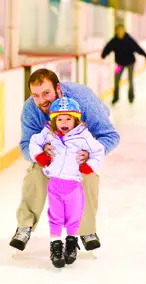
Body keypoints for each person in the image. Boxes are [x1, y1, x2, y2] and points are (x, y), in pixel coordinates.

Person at [9, 68, 120, 252]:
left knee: (87, 173)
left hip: (83, 142)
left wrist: (89, 155)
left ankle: (87, 231)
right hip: (52, 151)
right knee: (36, 171)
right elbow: (25, 146)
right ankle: (24, 226)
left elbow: (110, 136)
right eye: (36, 95)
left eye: (46, 93)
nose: (41, 100)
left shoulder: (82, 98)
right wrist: (40, 152)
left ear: (58, 89)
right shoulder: (31, 109)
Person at [29, 97, 105, 268]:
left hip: (74, 186)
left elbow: (99, 151)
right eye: (60, 119)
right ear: (54, 120)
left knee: (74, 218)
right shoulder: (48, 132)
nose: (64, 122)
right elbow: (34, 142)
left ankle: (71, 243)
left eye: (68, 118)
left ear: (75, 119)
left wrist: (89, 165)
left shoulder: (83, 136)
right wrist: (40, 154)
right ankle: (55, 246)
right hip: (54, 185)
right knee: (54, 217)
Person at [101, 24, 146, 105]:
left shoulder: (129, 40)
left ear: (124, 31)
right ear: (116, 32)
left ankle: (131, 97)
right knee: (116, 79)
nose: (120, 32)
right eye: (118, 31)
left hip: (130, 63)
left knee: (130, 80)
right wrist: (104, 55)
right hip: (120, 65)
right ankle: (116, 98)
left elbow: (138, 48)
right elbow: (107, 48)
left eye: (121, 30)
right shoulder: (114, 41)